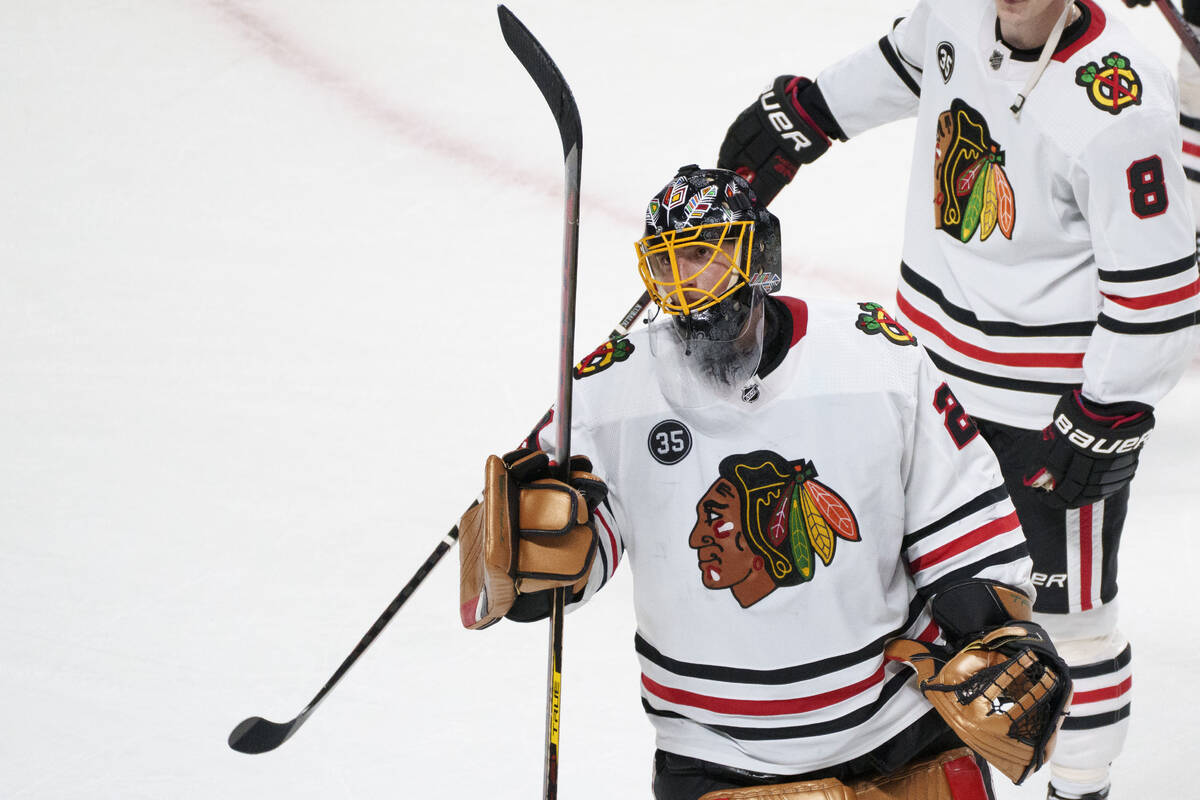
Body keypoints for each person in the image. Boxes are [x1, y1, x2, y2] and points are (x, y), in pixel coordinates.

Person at [457, 165, 1072, 800]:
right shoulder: (611, 391)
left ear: (760, 257)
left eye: (705, 256)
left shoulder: (875, 358)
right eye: (668, 265)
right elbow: (546, 557)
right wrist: (535, 551)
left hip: (897, 735)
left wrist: (992, 631)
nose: (688, 284)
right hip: (713, 758)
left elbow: (959, 511)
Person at [714, 2, 1200, 799]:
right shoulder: (955, 12)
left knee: (1067, 629)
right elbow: (902, 64)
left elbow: (1156, 289)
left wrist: (1108, 415)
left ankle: (1080, 790)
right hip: (926, 386)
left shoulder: (1119, 101)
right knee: (910, 604)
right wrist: (807, 113)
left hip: (1046, 414)